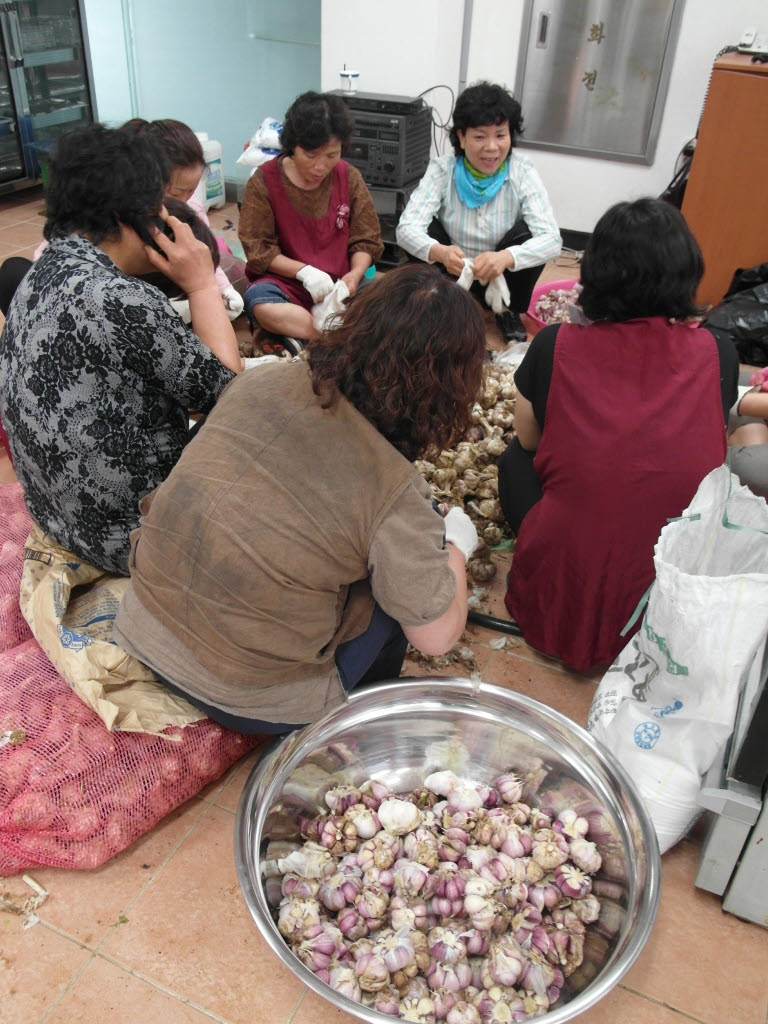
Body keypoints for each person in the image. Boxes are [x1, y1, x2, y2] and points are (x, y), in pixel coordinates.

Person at [113, 264, 486, 733]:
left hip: (144, 622)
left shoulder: (259, 379)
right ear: (450, 389)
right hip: (247, 696)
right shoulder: (396, 492)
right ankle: (353, 714)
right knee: (401, 598)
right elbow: (435, 638)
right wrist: (454, 547)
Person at [498, 197, 738, 672]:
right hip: (665, 581)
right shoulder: (720, 352)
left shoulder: (554, 344)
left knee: (513, 460)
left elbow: (528, 439)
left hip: (563, 592)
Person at [0, 123, 241, 576]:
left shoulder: (41, 268)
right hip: (134, 540)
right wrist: (202, 281)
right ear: (140, 214)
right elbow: (230, 395)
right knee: (263, 434)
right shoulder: (118, 298)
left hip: (58, 519)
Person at [396, 81, 561, 344]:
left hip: (503, 275)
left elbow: (552, 240)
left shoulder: (522, 170)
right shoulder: (443, 169)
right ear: (461, 137)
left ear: (511, 135)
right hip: (454, 268)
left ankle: (507, 311)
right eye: (480, 136)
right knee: (426, 234)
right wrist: (441, 252)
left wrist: (506, 257)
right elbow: (405, 230)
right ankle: (444, 306)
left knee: (529, 235)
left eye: (500, 134)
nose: (492, 147)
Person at [238, 90, 384, 354]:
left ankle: (309, 339)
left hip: (341, 286)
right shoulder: (264, 181)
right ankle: (332, 334)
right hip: (286, 284)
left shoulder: (348, 176)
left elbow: (366, 239)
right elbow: (258, 249)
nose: (320, 166)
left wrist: (354, 275)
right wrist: (305, 272)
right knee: (260, 304)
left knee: (389, 298)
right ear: (292, 145)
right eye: (311, 155)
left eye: (331, 155)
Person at [121, 118, 244, 319]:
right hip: (146, 300)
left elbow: (204, 257)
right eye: (177, 192)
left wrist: (225, 289)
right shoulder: (130, 219)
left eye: (192, 190)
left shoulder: (191, 207)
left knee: (234, 267)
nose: (185, 200)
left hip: (183, 288)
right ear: (146, 181)